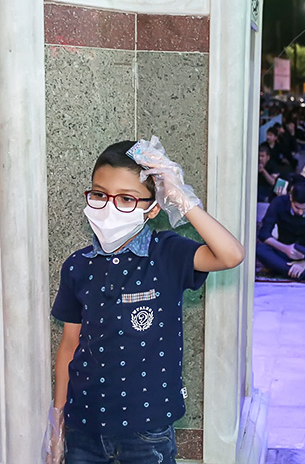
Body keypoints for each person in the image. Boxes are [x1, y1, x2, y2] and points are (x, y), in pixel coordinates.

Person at [47, 140, 245, 464]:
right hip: (84, 424)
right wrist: (57, 418)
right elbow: (70, 345)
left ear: (153, 208)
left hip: (147, 429)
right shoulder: (77, 265)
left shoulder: (167, 252)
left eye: (126, 198)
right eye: (99, 194)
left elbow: (231, 254)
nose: (109, 207)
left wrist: (182, 199)